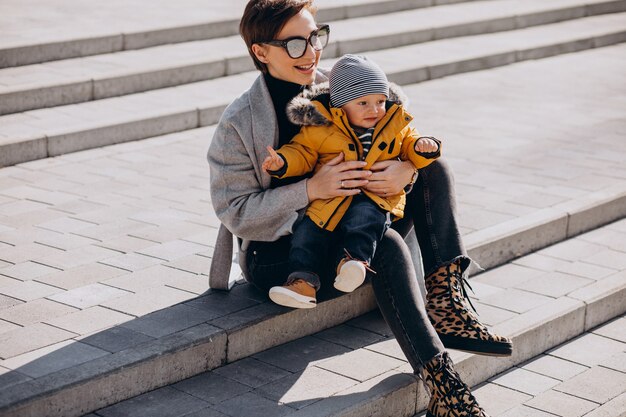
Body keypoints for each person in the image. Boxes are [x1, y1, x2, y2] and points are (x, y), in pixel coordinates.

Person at [208, 0, 511, 415]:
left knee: (433, 169)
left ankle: (447, 305)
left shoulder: (343, 86)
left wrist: (405, 169)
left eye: (316, 37)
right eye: (295, 44)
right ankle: (445, 388)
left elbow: (402, 130)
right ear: (261, 51)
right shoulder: (239, 122)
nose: (312, 53)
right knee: (386, 245)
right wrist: (312, 189)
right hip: (284, 257)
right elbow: (235, 211)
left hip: (356, 229)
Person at [261, 53, 441, 309]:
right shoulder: (322, 128)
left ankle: (353, 263)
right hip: (330, 202)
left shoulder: (394, 123)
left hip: (373, 197)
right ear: (340, 104)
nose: (375, 110)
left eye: (380, 101)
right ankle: (302, 282)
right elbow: (302, 152)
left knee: (365, 221)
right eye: (363, 103)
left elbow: (411, 144)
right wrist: (282, 163)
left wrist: (425, 148)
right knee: (306, 235)